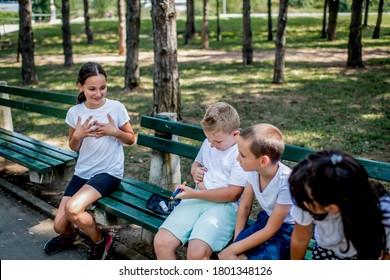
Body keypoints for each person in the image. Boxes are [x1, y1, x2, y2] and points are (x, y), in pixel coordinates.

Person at [43, 62, 135, 260]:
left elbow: (131, 139)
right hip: (83, 173)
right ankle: (70, 236)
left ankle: (101, 240)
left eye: (103, 88)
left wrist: (115, 131)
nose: (98, 93)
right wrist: (78, 134)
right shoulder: (75, 113)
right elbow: (73, 146)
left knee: (73, 209)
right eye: (92, 89)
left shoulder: (116, 108)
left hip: (108, 173)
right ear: (80, 87)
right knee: (59, 226)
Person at [153, 102, 247, 260]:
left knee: (196, 254)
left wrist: (196, 193)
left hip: (224, 207)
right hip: (197, 197)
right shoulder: (210, 142)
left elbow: (233, 194)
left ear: (235, 135)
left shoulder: (241, 153)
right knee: (161, 242)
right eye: (208, 140)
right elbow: (197, 163)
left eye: (217, 142)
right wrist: (194, 170)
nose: (211, 145)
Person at [289, 149, 390, 260]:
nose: (299, 202)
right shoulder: (305, 192)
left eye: (307, 201)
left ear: (333, 208)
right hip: (326, 250)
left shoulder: (384, 215)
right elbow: (300, 237)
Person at [218, 123, 295, 260]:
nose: (237, 158)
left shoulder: (287, 183)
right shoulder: (254, 171)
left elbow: (272, 229)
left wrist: (234, 248)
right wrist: (237, 241)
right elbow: (245, 206)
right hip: (264, 221)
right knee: (232, 258)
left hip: (285, 232)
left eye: (242, 155)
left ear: (263, 161)